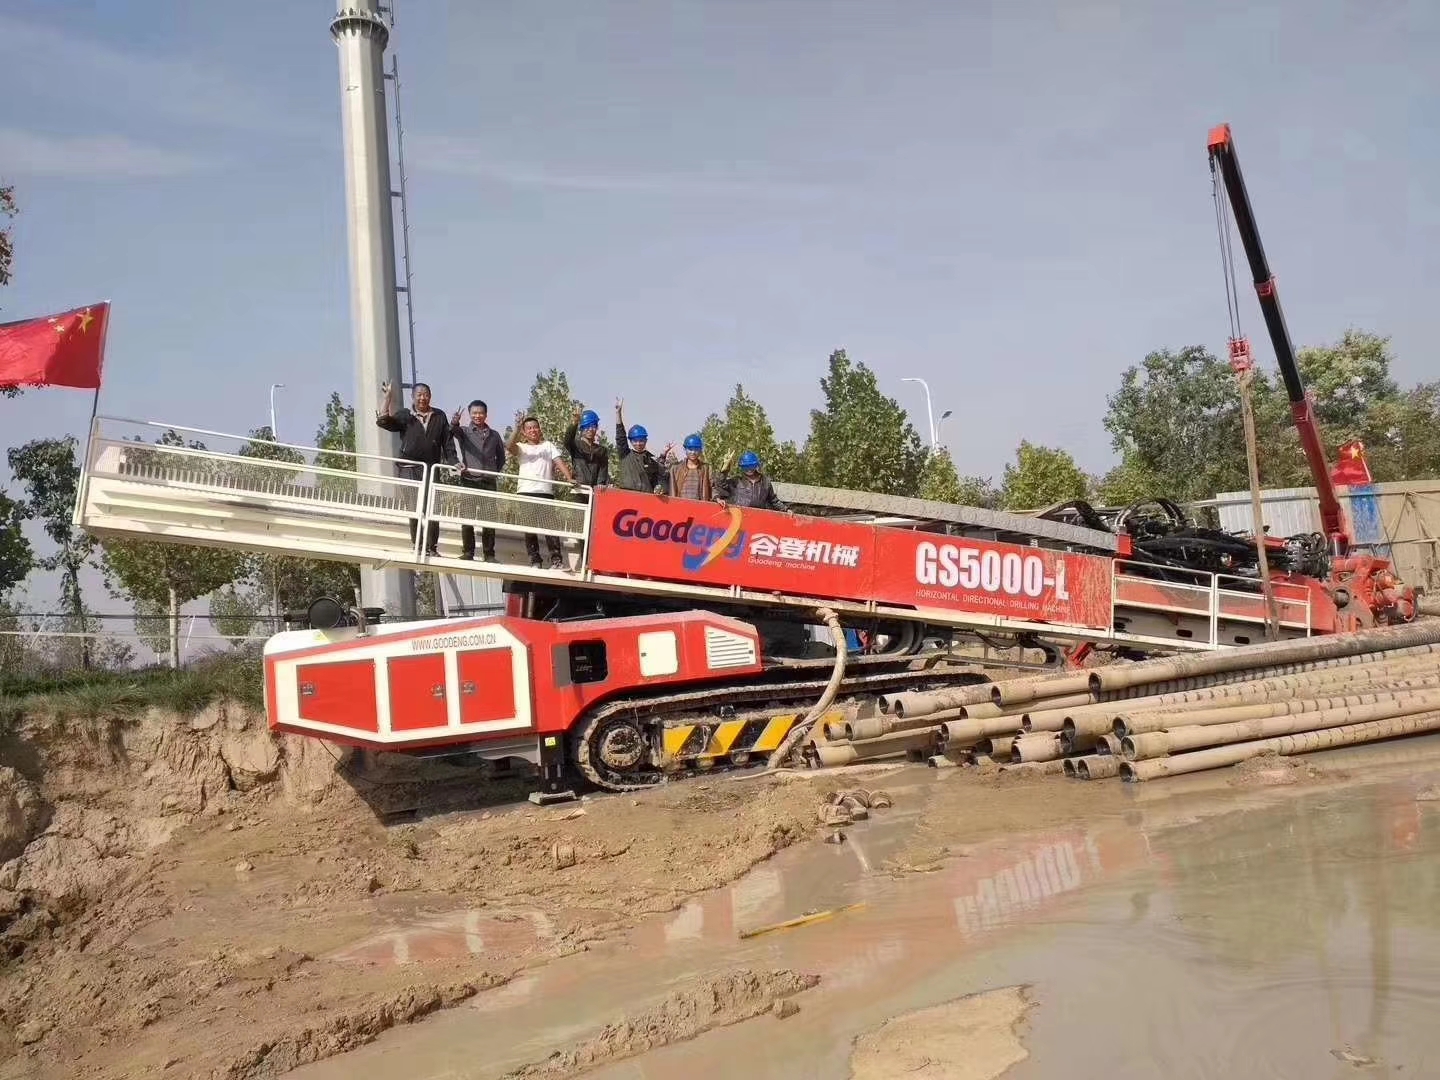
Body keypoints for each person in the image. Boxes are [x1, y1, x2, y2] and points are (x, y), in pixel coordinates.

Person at [375, 379, 452, 556]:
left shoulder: (439, 416)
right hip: (409, 467)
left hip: (431, 467)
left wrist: (453, 462)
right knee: (414, 507)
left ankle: (432, 547)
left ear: (430, 397)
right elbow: (383, 421)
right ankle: (418, 544)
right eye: (419, 395)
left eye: (426, 395)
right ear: (413, 397)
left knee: (432, 508)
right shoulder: (405, 415)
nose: (422, 398)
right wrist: (387, 398)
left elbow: (447, 443)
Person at [508, 412, 576, 569]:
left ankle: (556, 561)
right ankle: (535, 560)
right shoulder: (522, 447)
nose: (533, 430)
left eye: (535, 427)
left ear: (540, 429)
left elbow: (559, 462)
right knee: (529, 528)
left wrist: (569, 478)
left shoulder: (548, 445)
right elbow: (509, 446)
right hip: (526, 492)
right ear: (524, 432)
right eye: (529, 428)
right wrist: (516, 428)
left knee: (550, 527)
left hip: (545, 492)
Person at [450, 398, 506, 561]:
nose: (477, 416)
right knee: (467, 516)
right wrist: (454, 421)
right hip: (469, 480)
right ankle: (468, 552)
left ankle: (489, 554)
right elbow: (452, 430)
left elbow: (501, 458)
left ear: (486, 414)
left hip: (488, 481)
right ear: (469, 414)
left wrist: (492, 472)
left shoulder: (494, 435)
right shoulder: (464, 432)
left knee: (489, 518)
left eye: (480, 413)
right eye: (474, 413)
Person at [613, 398, 667, 493]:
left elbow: (660, 476)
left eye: (641, 440)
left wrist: (663, 455)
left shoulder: (650, 460)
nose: (638, 443)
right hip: (627, 495)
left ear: (646, 441)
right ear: (630, 441)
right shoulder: (625, 454)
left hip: (645, 497)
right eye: (635, 441)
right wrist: (618, 413)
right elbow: (620, 436)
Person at [718, 451, 787, 511]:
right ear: (742, 467)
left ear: (756, 465)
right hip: (740, 515)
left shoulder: (765, 482)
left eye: (751, 466)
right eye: (746, 467)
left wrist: (786, 509)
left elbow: (773, 500)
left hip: (758, 517)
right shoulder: (736, 481)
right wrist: (724, 472)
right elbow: (721, 485)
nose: (749, 469)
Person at [563, 407, 610, 488]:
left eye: (593, 426)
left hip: (594, 491)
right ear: (581, 428)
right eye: (587, 426)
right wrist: (575, 423)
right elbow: (567, 440)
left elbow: (603, 470)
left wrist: (601, 484)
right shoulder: (575, 445)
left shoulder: (601, 450)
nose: (590, 429)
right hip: (579, 489)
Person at [667, 433, 714, 501]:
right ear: (685, 449)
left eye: (696, 449)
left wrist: (717, 498)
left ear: (700, 450)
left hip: (699, 506)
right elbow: (672, 492)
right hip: (680, 505)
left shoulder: (706, 469)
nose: (693, 452)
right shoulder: (675, 469)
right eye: (690, 449)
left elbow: (713, 487)